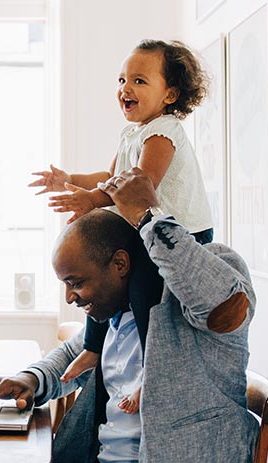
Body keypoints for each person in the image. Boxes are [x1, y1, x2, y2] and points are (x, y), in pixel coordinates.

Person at [0, 168, 258, 463]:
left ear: (120, 263)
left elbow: (224, 306)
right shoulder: (119, 311)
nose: (69, 298)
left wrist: (148, 217)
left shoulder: (209, 273)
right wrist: (31, 378)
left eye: (76, 283)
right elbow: (70, 355)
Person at [29, 39, 214, 397]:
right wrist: (68, 178)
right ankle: (92, 348)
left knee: (143, 289)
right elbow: (109, 176)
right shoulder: (132, 133)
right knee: (101, 281)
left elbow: (138, 185)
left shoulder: (164, 133)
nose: (125, 88)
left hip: (180, 235)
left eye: (139, 81)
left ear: (170, 94)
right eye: (121, 80)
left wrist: (93, 200)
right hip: (144, 230)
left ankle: (150, 371)